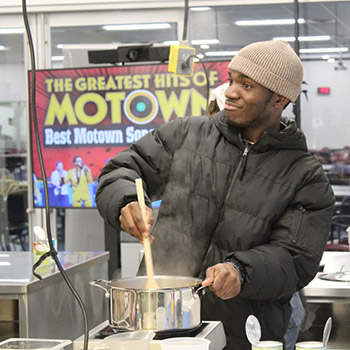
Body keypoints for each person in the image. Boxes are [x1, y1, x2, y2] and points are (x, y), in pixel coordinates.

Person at [96, 40, 335, 350]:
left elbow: (295, 258)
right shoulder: (186, 135)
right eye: (231, 79)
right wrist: (126, 201)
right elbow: (122, 170)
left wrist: (240, 271)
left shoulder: (305, 176)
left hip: (243, 335)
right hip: (158, 328)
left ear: (279, 99)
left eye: (246, 85)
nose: (230, 92)